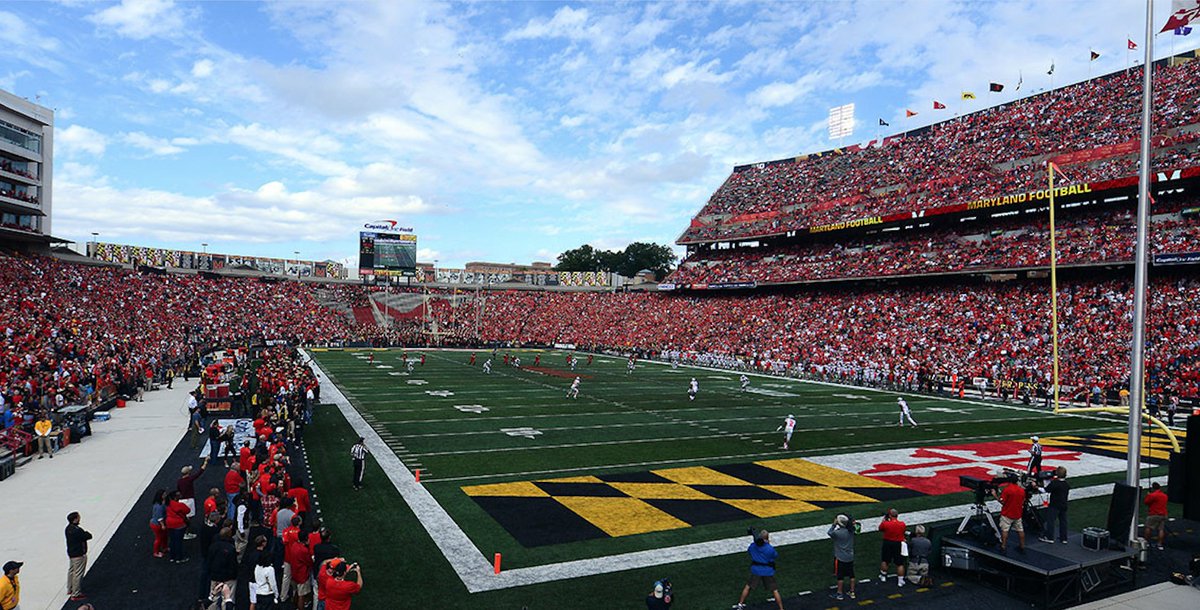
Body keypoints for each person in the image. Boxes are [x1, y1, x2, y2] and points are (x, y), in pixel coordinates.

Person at [732, 529, 783, 610]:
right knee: (774, 590)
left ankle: (740, 604)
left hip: (756, 570)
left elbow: (749, 551)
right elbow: (774, 556)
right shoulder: (769, 548)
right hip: (768, 571)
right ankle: (781, 609)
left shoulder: (753, 546)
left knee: (748, 587)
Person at [994, 477, 1026, 553]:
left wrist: (995, 495)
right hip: (1017, 513)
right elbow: (1023, 501)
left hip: (1007, 513)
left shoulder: (1007, 489)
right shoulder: (1021, 490)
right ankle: (1022, 546)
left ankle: (1003, 546)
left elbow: (1002, 502)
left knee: (1005, 530)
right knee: (1020, 530)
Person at [65, 512, 92, 601]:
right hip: (78, 554)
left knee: (71, 571)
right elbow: (87, 536)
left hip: (71, 553)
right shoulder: (77, 530)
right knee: (78, 573)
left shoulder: (68, 529)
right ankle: (76, 593)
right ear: (75, 519)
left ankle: (70, 588)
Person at [1039, 466, 1070, 544]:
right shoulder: (1066, 484)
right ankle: (1064, 538)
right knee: (1063, 522)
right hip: (1064, 504)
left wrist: (1036, 487)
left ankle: (1050, 537)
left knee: (1051, 521)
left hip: (1055, 505)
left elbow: (1045, 490)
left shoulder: (1055, 483)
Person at [828, 515, 855, 601]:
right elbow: (857, 527)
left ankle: (839, 594)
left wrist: (833, 524)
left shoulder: (837, 533)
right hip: (850, 556)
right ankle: (852, 592)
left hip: (840, 557)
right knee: (851, 575)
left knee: (840, 576)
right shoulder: (851, 530)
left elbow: (829, 532)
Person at [878, 508, 906, 586]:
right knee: (899, 563)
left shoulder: (886, 523)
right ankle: (900, 581)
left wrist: (884, 520)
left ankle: (883, 576)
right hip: (898, 543)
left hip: (888, 543)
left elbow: (880, 528)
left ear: (890, 515)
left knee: (885, 560)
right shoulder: (902, 524)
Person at [165, 490, 191, 563]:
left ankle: (172, 556)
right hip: (178, 524)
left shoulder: (168, 503)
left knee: (172, 540)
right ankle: (179, 558)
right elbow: (188, 510)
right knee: (178, 541)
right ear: (176, 497)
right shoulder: (180, 505)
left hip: (169, 523)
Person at [1144, 482, 1169, 550]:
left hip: (1154, 514)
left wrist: (1148, 495)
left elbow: (1146, 502)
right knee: (1161, 530)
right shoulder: (1164, 495)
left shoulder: (1153, 495)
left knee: (1148, 527)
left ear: (1153, 488)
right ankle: (1159, 544)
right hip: (1163, 514)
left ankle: (1146, 543)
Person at [149, 489, 168, 558]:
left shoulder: (160, 503)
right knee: (159, 538)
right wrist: (163, 525)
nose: (165, 495)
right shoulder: (159, 506)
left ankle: (164, 547)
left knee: (164, 536)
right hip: (157, 524)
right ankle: (156, 552)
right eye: (164, 494)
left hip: (159, 523)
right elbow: (160, 517)